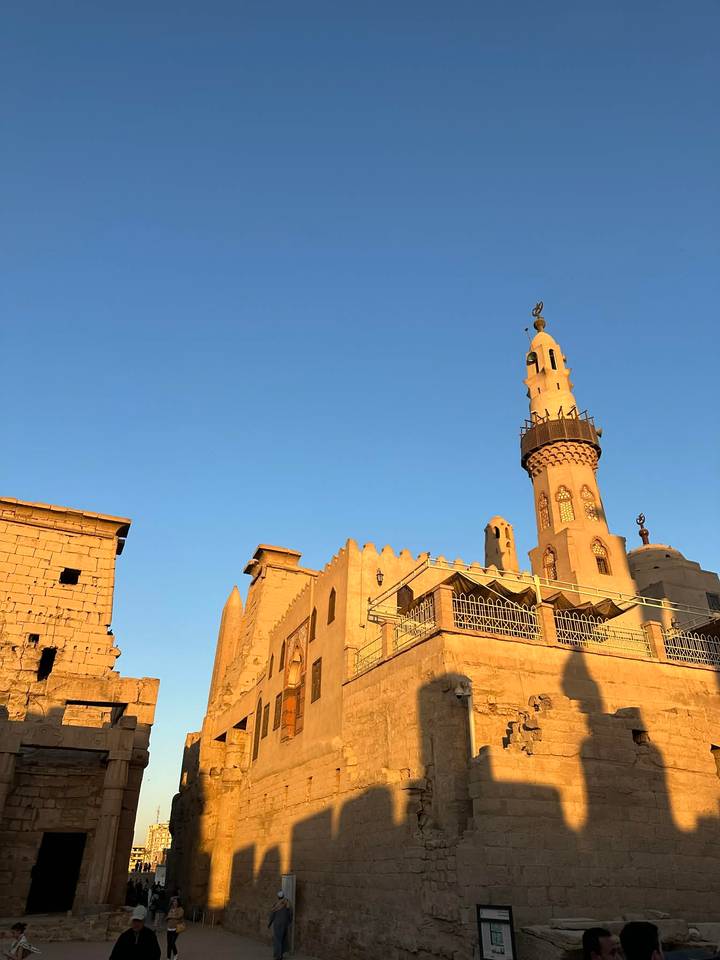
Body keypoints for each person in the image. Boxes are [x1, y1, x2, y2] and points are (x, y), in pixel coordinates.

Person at [268, 891, 293, 960]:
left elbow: (272, 914)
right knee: (283, 939)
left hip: (277, 924)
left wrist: (269, 923)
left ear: (278, 897)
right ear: (283, 896)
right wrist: (289, 922)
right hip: (285, 924)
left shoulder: (276, 904)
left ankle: (278, 956)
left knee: (277, 939)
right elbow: (290, 914)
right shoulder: (287, 904)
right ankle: (281, 953)